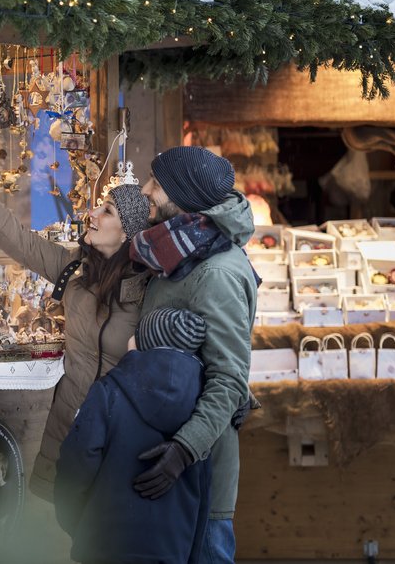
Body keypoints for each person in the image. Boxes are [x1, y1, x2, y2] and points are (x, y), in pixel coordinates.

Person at [0, 137, 150, 501]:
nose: (93, 214)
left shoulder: (151, 288)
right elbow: (14, 238)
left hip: (120, 436)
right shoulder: (75, 267)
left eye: (108, 212)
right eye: (99, 206)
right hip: (67, 428)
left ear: (128, 232)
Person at [127, 146, 259, 563]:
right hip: (164, 456)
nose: (147, 191)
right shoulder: (180, 250)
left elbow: (229, 380)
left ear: (183, 197)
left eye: (157, 185)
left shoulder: (216, 272)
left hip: (197, 468)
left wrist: (184, 451)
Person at [55, 307, 211, 564]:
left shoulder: (108, 391)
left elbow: (77, 462)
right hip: (173, 548)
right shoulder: (204, 408)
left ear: (143, 342)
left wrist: (76, 523)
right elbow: (204, 487)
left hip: (104, 544)